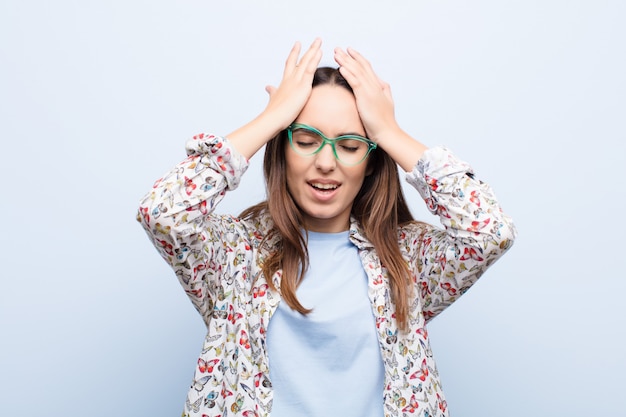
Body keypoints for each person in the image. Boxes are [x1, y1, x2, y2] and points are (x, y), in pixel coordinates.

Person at [137, 38, 516, 417]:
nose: (325, 162)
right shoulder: (236, 252)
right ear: (283, 147)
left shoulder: (406, 258)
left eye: (350, 146)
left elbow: (490, 233)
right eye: (305, 140)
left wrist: (388, 132)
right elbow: (162, 214)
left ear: (370, 161)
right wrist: (271, 120)